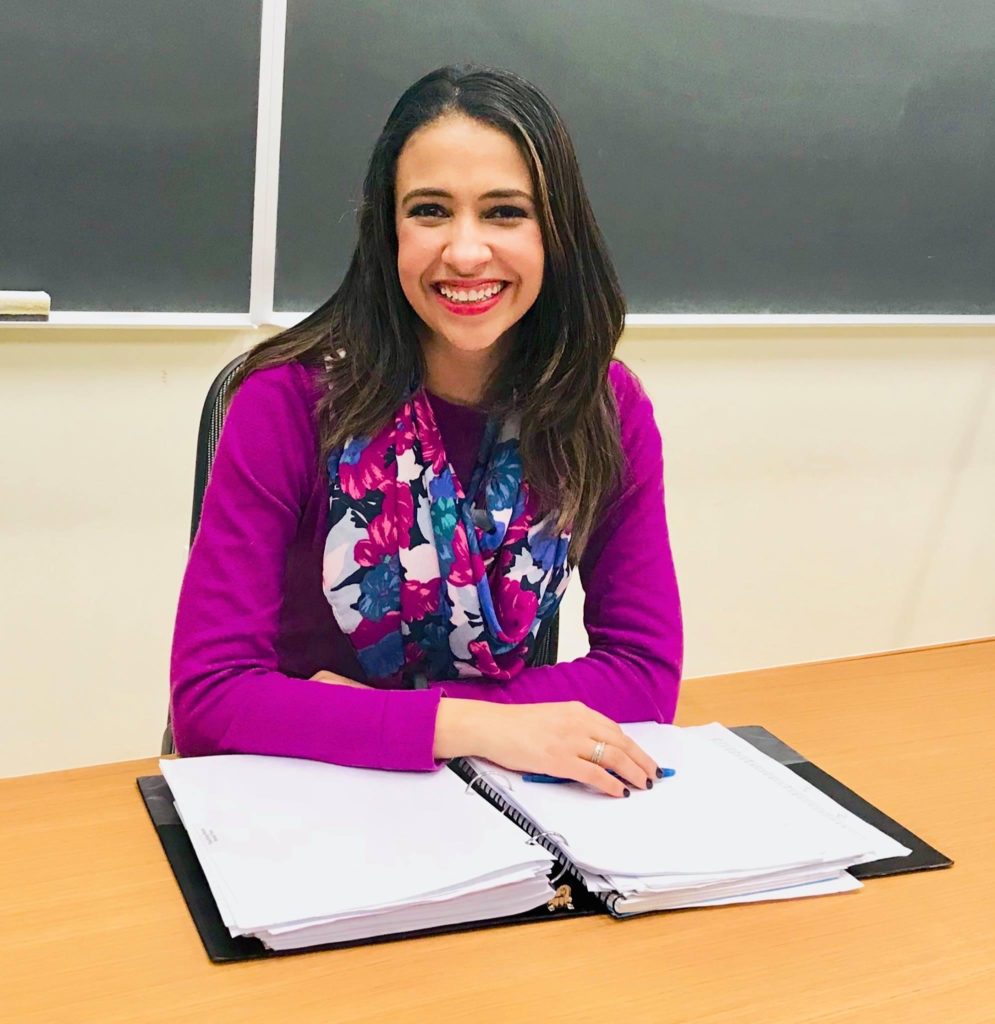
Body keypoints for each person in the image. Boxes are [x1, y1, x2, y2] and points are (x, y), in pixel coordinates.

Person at [170, 64, 682, 798]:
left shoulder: (603, 410)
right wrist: (473, 727)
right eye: (430, 211)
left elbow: (642, 676)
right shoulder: (284, 402)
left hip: (511, 800)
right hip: (306, 795)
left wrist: (375, 714)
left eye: (505, 212)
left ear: (556, 231)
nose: (466, 252)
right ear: (388, 230)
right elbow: (210, 702)